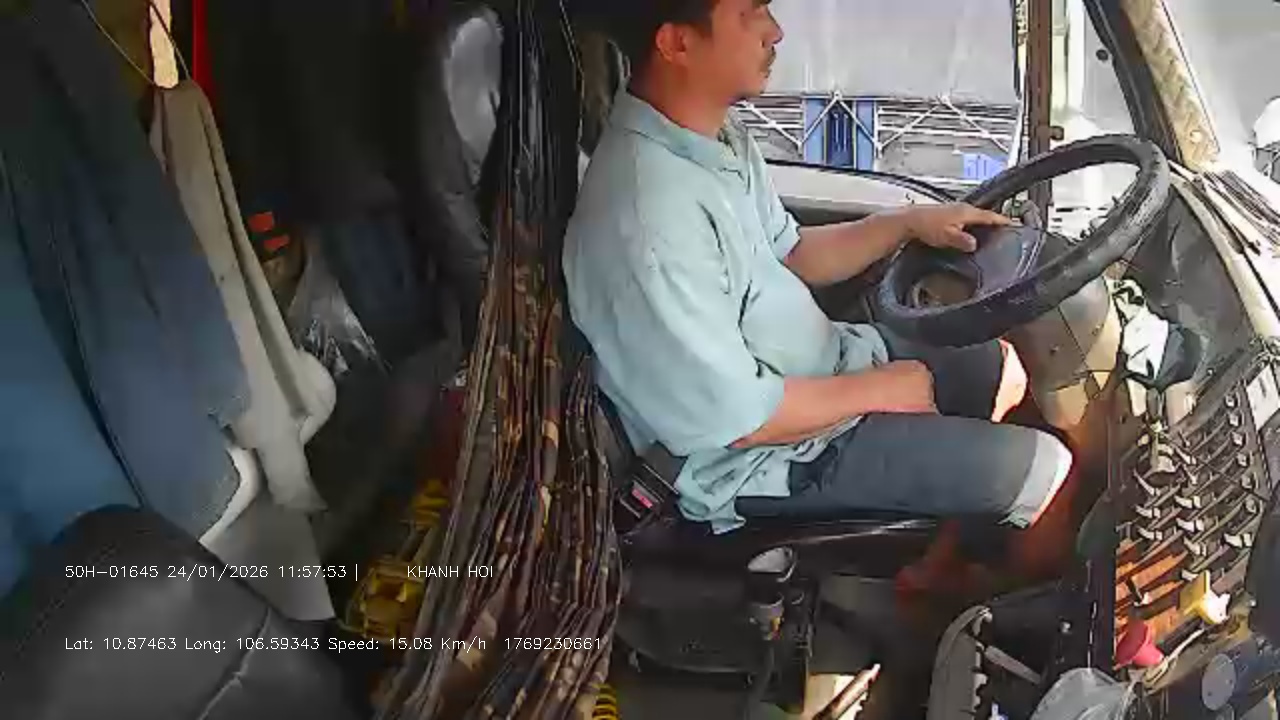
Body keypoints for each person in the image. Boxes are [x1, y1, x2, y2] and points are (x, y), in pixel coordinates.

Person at [564, 0, 1074, 596]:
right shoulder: (649, 215)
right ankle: (978, 608)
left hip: (824, 370)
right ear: (677, 43)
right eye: (751, 13)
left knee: (1006, 368)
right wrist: (879, 390)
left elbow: (793, 253)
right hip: (764, 458)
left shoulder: (711, 138)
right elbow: (737, 421)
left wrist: (908, 223)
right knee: (1050, 474)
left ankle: (934, 570)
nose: (776, 31)